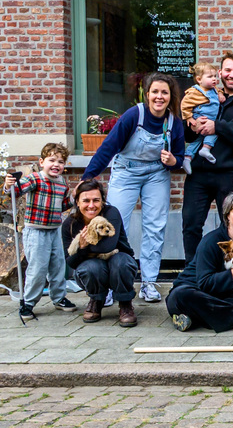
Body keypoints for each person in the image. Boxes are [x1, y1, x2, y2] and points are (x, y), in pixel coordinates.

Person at [82, 72, 186, 303]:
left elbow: (179, 157)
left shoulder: (174, 121)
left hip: (157, 174)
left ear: (171, 96)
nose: (159, 97)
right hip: (126, 172)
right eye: (155, 92)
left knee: (155, 227)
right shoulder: (134, 115)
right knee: (114, 226)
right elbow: (108, 147)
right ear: (147, 94)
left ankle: (149, 283)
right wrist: (87, 177)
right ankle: (110, 286)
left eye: (164, 93)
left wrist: (173, 161)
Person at [181, 51, 233, 264]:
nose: (232, 75)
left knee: (231, 227)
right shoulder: (203, 94)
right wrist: (191, 123)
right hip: (199, 172)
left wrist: (217, 126)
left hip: (231, 172)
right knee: (191, 224)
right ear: (220, 72)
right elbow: (187, 133)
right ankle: (193, 272)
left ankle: (227, 272)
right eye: (227, 70)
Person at [166, 191, 233, 333]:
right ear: (227, 215)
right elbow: (205, 283)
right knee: (182, 296)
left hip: (225, 295)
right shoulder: (211, 241)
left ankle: (194, 318)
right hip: (196, 290)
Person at [3, 143, 77, 320]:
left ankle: (59, 298)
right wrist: (8, 185)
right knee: (37, 268)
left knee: (58, 266)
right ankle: (28, 302)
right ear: (42, 162)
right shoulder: (35, 179)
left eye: (60, 162)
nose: (56, 165)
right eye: (51, 160)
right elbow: (15, 191)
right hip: (35, 231)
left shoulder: (62, 183)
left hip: (54, 230)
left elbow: (63, 205)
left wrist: (74, 197)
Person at [61, 179, 140, 326]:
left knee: (120, 262)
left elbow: (106, 247)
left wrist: (83, 246)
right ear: (77, 202)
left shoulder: (111, 213)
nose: (91, 205)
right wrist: (82, 249)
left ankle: (125, 304)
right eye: (86, 201)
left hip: (119, 258)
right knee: (92, 267)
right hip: (92, 267)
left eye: (96, 200)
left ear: (102, 201)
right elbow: (70, 261)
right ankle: (96, 300)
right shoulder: (70, 224)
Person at [180, 62, 222, 174]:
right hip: (200, 119)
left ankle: (198, 153)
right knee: (199, 139)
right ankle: (188, 158)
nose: (214, 79)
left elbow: (218, 91)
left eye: (215, 76)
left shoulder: (214, 89)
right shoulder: (195, 92)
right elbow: (185, 104)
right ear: (199, 80)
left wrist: (221, 94)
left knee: (205, 137)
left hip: (211, 121)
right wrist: (189, 118)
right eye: (210, 77)